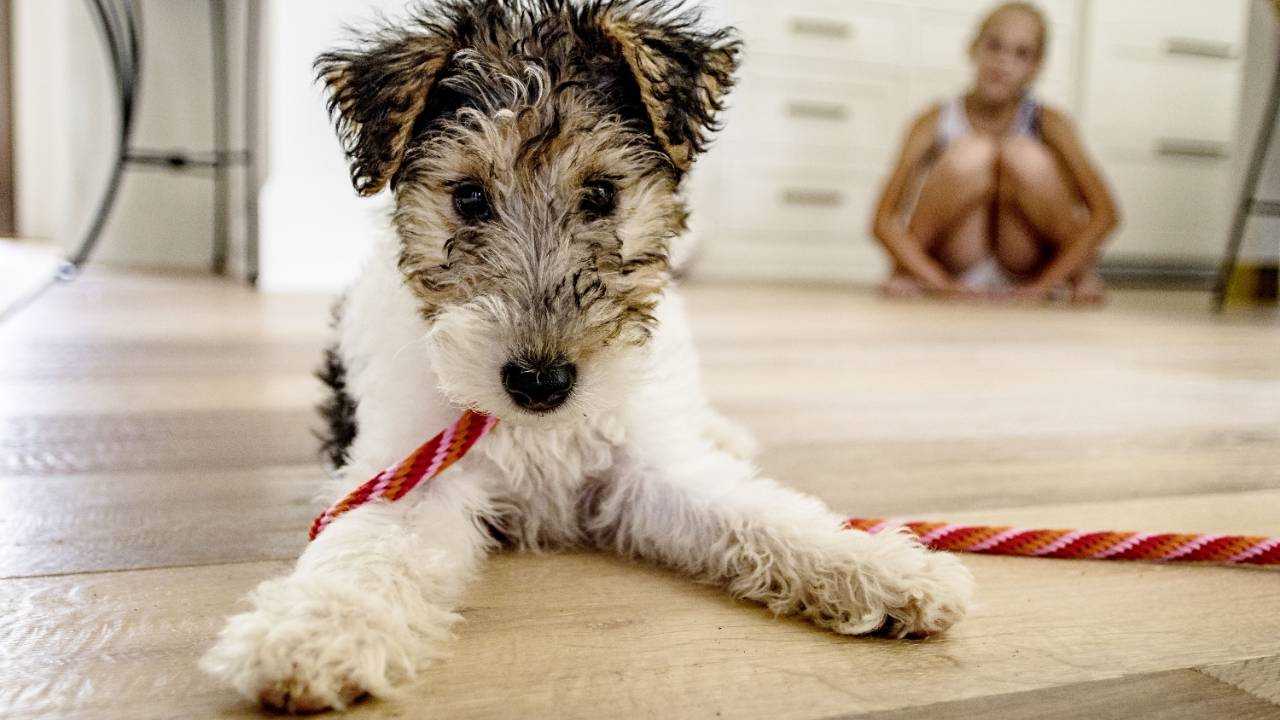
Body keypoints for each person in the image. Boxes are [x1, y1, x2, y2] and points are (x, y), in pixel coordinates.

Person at [871, 1, 1119, 304]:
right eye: (994, 46)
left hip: (1026, 266)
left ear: (1036, 66)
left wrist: (1045, 284)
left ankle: (1080, 273)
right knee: (973, 153)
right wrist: (938, 282)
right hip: (956, 264)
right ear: (972, 48)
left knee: (1024, 155)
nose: (1003, 62)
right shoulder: (932, 121)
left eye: (1021, 53)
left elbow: (1105, 214)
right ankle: (907, 271)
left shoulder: (1051, 123)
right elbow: (883, 220)